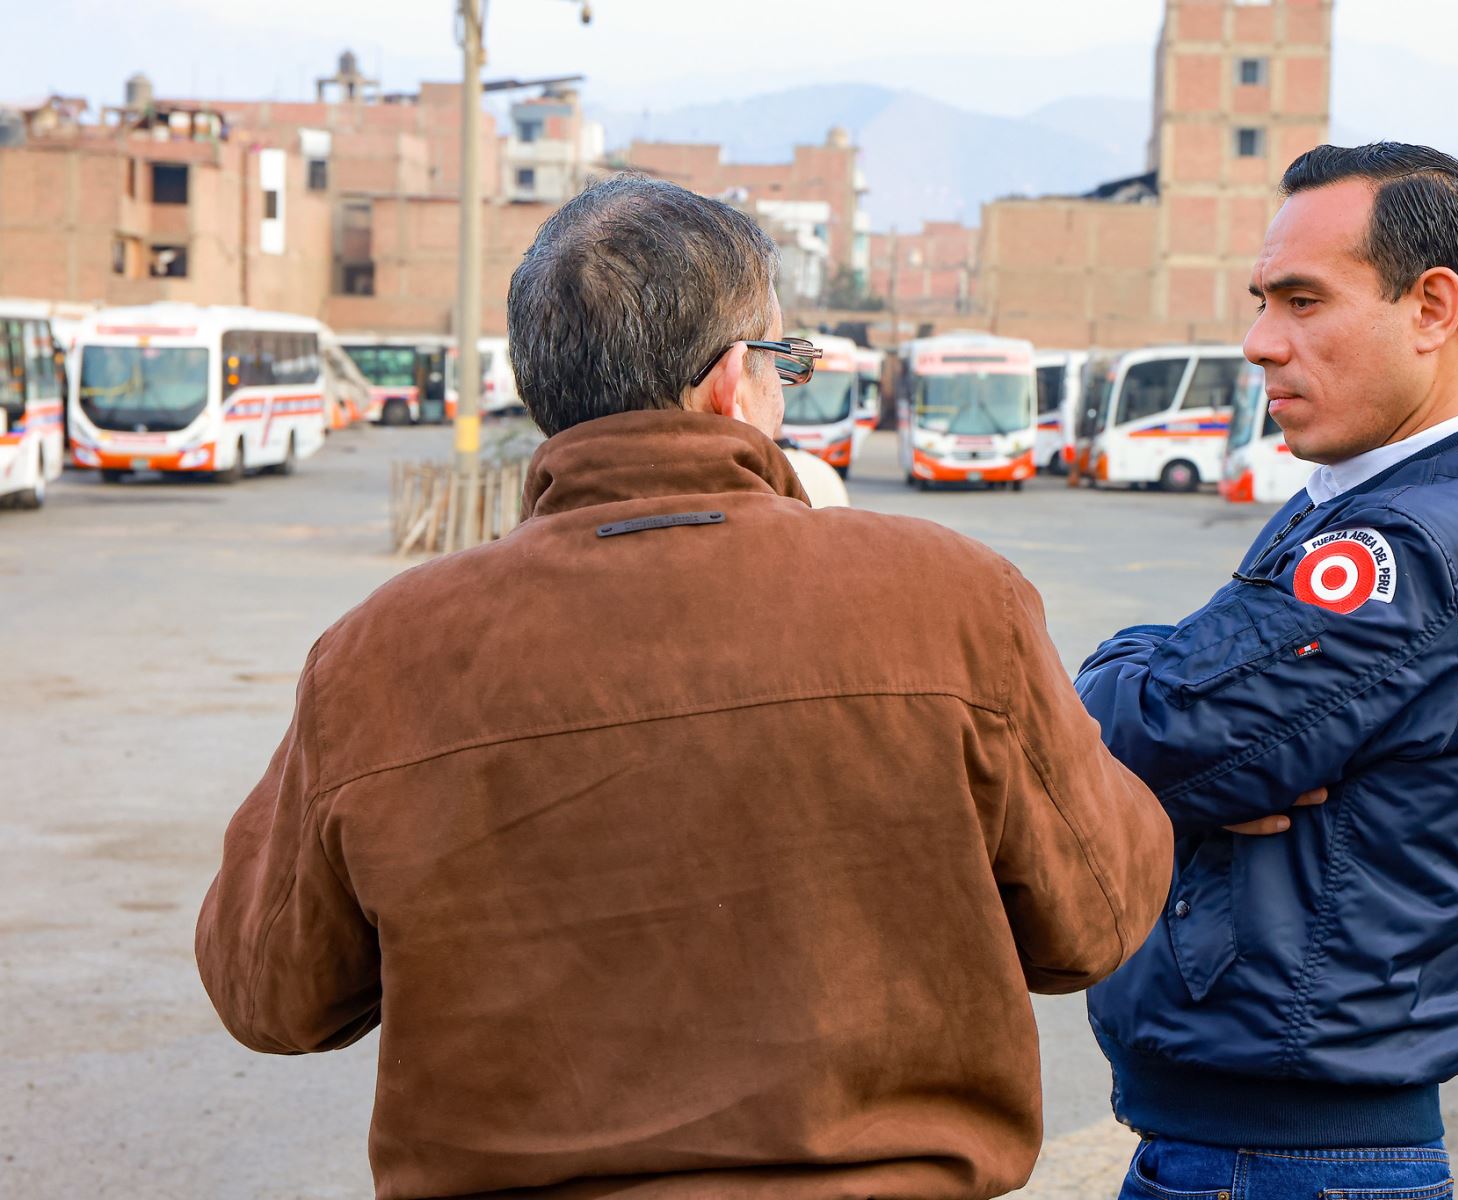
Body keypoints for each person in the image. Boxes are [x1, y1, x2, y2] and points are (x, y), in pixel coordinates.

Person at [193, 175, 1173, 1200]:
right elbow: (1094, 922)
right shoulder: (955, 602)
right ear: (728, 384)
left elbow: (269, 994)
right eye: (786, 363)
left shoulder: (376, 657)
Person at [1076, 143, 1458, 1200]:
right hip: (1262, 1141)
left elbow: (1157, 731)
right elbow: (1184, 706)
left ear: (1433, 308)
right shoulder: (1372, 498)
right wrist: (1157, 669)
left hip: (1286, 1159)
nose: (1261, 343)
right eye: (1263, 300)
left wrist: (1123, 666)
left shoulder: (1411, 542)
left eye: (1303, 301)